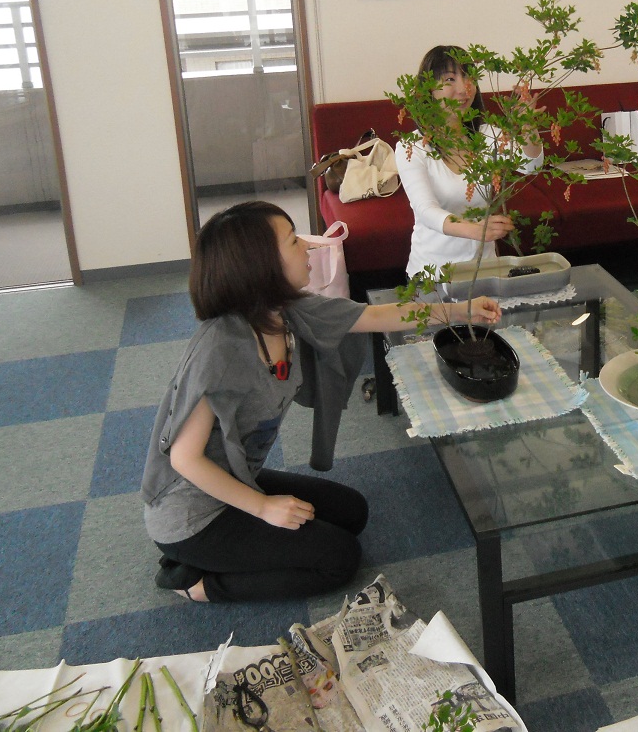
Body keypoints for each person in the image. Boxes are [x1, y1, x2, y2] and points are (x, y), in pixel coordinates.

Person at [141, 200, 501, 603]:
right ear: (261, 265)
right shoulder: (220, 349)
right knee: (339, 559)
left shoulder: (285, 313)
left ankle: (228, 549)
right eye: (294, 241)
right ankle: (197, 584)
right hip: (190, 515)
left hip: (237, 478)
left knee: (352, 512)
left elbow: (376, 316)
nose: (309, 248)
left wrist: (460, 310)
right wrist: (263, 507)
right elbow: (184, 459)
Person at [394, 45, 544, 277]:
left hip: (484, 270)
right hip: (433, 274)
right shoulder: (412, 146)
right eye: (450, 79)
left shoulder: (487, 135)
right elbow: (426, 210)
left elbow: (531, 165)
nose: (464, 88)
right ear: (429, 89)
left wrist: (527, 125)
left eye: (469, 78)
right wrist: (476, 230)